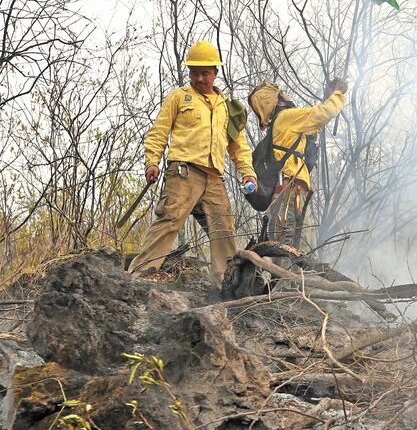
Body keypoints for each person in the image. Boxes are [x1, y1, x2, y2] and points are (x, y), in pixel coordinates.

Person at [129, 41, 257, 286]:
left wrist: (248, 173)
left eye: (205, 73)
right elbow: (158, 132)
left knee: (224, 231)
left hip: (214, 179)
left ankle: (224, 286)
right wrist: (152, 162)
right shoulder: (179, 97)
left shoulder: (228, 108)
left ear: (215, 73)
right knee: (169, 221)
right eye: (194, 73)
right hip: (184, 173)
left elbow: (238, 145)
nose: (199, 78)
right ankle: (138, 279)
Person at [248, 77, 348, 251]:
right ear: (277, 100)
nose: (288, 94)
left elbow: (315, 126)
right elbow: (322, 114)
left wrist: (327, 97)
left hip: (294, 193)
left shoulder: (283, 122)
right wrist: (338, 93)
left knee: (303, 247)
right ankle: (288, 279)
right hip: (290, 193)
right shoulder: (287, 117)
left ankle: (297, 278)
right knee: (290, 248)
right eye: (283, 92)